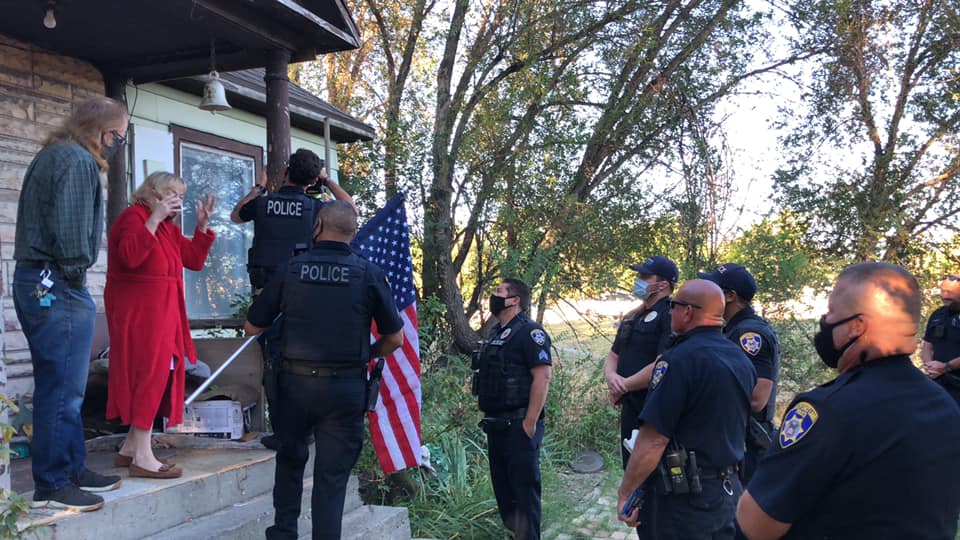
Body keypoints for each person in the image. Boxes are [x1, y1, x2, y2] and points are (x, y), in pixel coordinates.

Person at [737, 262, 960, 540]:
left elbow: (755, 524)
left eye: (831, 312)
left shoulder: (828, 411)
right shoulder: (945, 407)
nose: (825, 321)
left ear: (856, 326)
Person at [244, 200, 403, 540]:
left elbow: (252, 326)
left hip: (293, 386)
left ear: (317, 226)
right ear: (353, 233)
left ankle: (284, 533)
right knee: (331, 479)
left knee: (290, 462)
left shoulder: (291, 268)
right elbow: (395, 339)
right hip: (345, 389)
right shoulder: (369, 274)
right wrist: (368, 354)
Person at [13, 97, 128, 512]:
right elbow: (72, 238)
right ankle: (54, 482)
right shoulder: (78, 160)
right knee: (62, 387)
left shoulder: (53, 153)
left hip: (38, 279)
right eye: (120, 135)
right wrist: (76, 278)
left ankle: (73, 468)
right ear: (104, 132)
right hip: (56, 281)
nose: (119, 143)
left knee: (62, 385)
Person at [231, 148, 357, 451]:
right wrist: (327, 181)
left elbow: (236, 215)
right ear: (313, 180)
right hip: (305, 294)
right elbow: (349, 210)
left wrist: (259, 187)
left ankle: (283, 431)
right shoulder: (316, 210)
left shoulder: (263, 204)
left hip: (267, 294)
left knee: (272, 362)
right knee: (305, 360)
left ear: (286, 171)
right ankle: (308, 428)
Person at [617, 279, 756, 540]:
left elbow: (654, 440)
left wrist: (626, 492)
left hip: (685, 501)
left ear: (688, 312)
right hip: (729, 492)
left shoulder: (678, 361)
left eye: (674, 305)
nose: (670, 311)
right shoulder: (740, 358)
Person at [104, 171, 217, 479]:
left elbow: (192, 260)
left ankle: (130, 448)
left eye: (181, 196)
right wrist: (153, 219)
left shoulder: (167, 229)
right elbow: (129, 257)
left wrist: (201, 227)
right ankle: (143, 457)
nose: (177, 201)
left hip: (163, 313)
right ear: (153, 193)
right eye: (172, 194)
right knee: (148, 376)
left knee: (159, 375)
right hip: (140, 315)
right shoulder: (132, 218)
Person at [473, 278, 553, 539]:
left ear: (515, 300)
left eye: (499, 292)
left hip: (519, 425)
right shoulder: (497, 332)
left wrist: (530, 423)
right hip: (496, 424)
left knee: (524, 495)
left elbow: (543, 377)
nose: (493, 296)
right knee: (506, 496)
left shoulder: (530, 332)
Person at [697, 263, 780, 486]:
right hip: (735, 439)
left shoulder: (749, 334)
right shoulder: (733, 330)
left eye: (714, 289)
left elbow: (757, 399)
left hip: (748, 443)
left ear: (730, 296)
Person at [920, 273, 960, 405]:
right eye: (943, 291)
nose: (944, 296)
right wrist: (929, 365)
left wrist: (946, 367)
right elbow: (927, 346)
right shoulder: (938, 314)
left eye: (950, 292)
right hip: (938, 382)